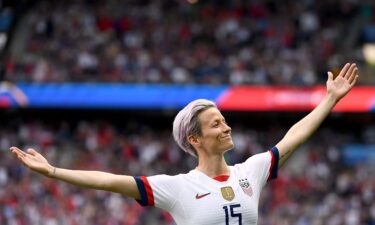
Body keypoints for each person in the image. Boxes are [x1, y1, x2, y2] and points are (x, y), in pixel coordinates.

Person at [10, 63, 359, 225]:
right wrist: (53, 171)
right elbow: (109, 181)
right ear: (195, 139)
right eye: (216, 124)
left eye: (224, 120)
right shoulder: (176, 187)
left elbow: (293, 137)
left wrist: (329, 100)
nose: (226, 127)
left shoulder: (249, 172)